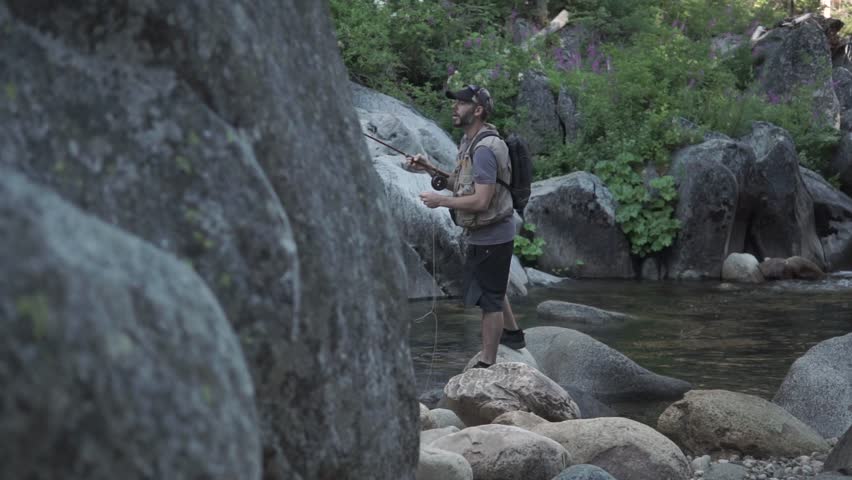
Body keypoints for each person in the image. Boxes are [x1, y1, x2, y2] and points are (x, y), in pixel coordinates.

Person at [407, 84, 525, 369]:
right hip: (483, 234)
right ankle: (514, 335)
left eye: (461, 103)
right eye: (455, 102)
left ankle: (488, 363)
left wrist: (440, 201)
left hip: (493, 235)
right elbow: (462, 184)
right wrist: (429, 169)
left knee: (490, 300)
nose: (454, 107)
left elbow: (482, 201)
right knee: (492, 286)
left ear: (479, 110)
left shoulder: (484, 149)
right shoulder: (469, 143)